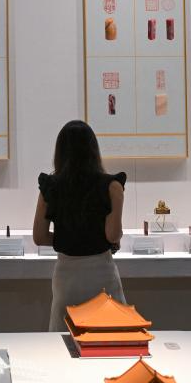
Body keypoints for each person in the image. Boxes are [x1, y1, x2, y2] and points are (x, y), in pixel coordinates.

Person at [33, 120, 126, 332]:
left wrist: (67, 237)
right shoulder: (112, 186)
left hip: (67, 275)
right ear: (94, 150)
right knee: (109, 336)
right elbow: (112, 235)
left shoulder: (51, 187)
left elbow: (39, 237)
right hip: (102, 272)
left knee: (65, 336)